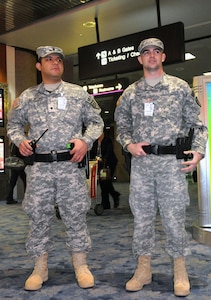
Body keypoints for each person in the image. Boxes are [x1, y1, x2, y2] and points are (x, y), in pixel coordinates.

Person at [115, 38, 208, 297]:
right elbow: (122, 129)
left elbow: (198, 125)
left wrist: (198, 150)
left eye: (157, 51)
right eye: (147, 53)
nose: (152, 56)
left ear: (164, 57)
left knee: (174, 218)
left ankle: (180, 269)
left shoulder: (180, 89)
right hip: (143, 164)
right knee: (142, 219)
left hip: (171, 165)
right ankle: (143, 269)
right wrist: (129, 145)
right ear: (140, 59)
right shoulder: (130, 93)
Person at [7, 46, 104, 291]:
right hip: (39, 169)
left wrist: (85, 141)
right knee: (38, 218)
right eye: (48, 59)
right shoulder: (27, 97)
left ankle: (81, 265)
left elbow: (96, 121)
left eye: (59, 59)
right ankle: (40, 268)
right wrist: (21, 142)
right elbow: (14, 126)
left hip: (70, 167)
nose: (55, 62)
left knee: (76, 216)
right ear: (39, 66)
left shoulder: (78, 94)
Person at [90, 132, 120, 209]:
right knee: (104, 182)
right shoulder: (95, 142)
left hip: (108, 164)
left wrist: (103, 159)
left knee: (105, 182)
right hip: (99, 164)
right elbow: (92, 152)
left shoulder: (107, 141)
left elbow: (108, 152)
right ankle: (114, 195)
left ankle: (106, 202)